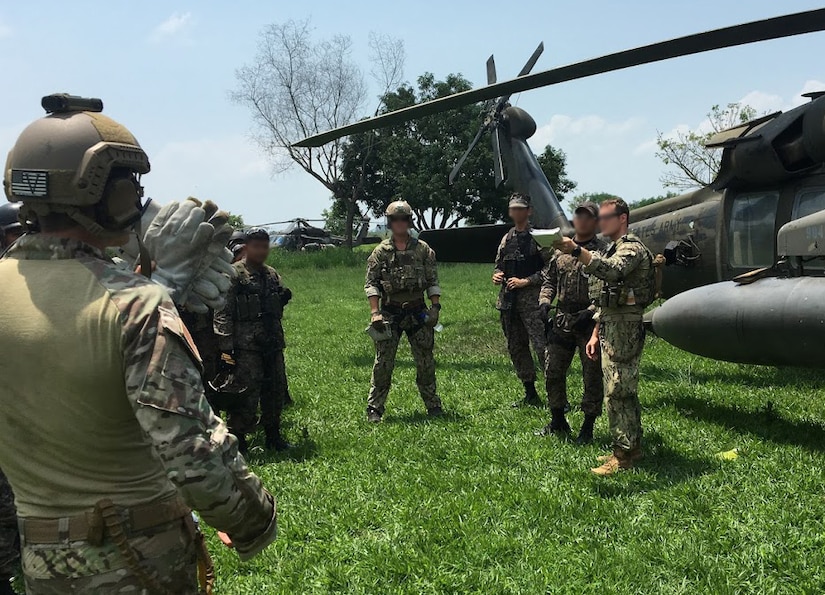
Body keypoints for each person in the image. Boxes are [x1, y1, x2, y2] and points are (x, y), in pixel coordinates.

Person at [0, 96, 277, 593]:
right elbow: (192, 455)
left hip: (43, 563)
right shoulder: (135, 305)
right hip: (138, 559)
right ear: (109, 194)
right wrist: (254, 518)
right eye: (130, 186)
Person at [554, 198, 654, 475]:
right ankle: (630, 447)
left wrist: (576, 251)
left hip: (624, 328)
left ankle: (622, 457)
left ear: (622, 218)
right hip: (612, 324)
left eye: (606, 217)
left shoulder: (630, 248)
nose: (601, 222)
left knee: (617, 391)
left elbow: (612, 271)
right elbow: (606, 298)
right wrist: (596, 333)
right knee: (620, 389)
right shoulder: (615, 248)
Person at [365, 200, 444, 423]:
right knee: (383, 363)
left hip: (418, 311)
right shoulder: (380, 252)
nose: (399, 223)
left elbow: (432, 281)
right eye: (394, 220)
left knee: (425, 361)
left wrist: (435, 308)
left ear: (409, 221)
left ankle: (433, 404)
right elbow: (371, 284)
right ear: (390, 223)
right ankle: (375, 408)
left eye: (403, 219)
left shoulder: (423, 250)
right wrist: (375, 312)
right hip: (390, 312)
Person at [214, 228, 293, 451]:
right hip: (246, 346)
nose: (261, 251)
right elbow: (223, 311)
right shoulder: (234, 274)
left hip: (272, 342)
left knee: (275, 390)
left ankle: (273, 435)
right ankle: (239, 440)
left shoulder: (272, 274)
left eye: (265, 246)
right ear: (247, 247)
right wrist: (225, 347)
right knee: (245, 394)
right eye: (256, 246)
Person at [536, 201, 607, 443]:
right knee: (552, 371)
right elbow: (549, 281)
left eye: (589, 217)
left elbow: (608, 287)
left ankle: (588, 426)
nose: (583, 221)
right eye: (579, 216)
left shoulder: (602, 253)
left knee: (592, 377)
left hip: (589, 323)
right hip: (562, 320)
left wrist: (591, 311)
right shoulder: (560, 251)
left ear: (596, 222)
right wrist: (545, 301)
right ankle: (558, 420)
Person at [492, 193, 553, 407]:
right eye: (513, 209)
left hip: (532, 302)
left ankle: (556, 395)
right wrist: (497, 274)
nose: (516, 212)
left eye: (521, 208)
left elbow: (551, 268)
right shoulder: (507, 237)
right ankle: (530, 393)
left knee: (541, 347)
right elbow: (499, 264)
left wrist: (527, 281)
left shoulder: (539, 237)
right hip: (509, 302)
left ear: (529, 211)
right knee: (516, 347)